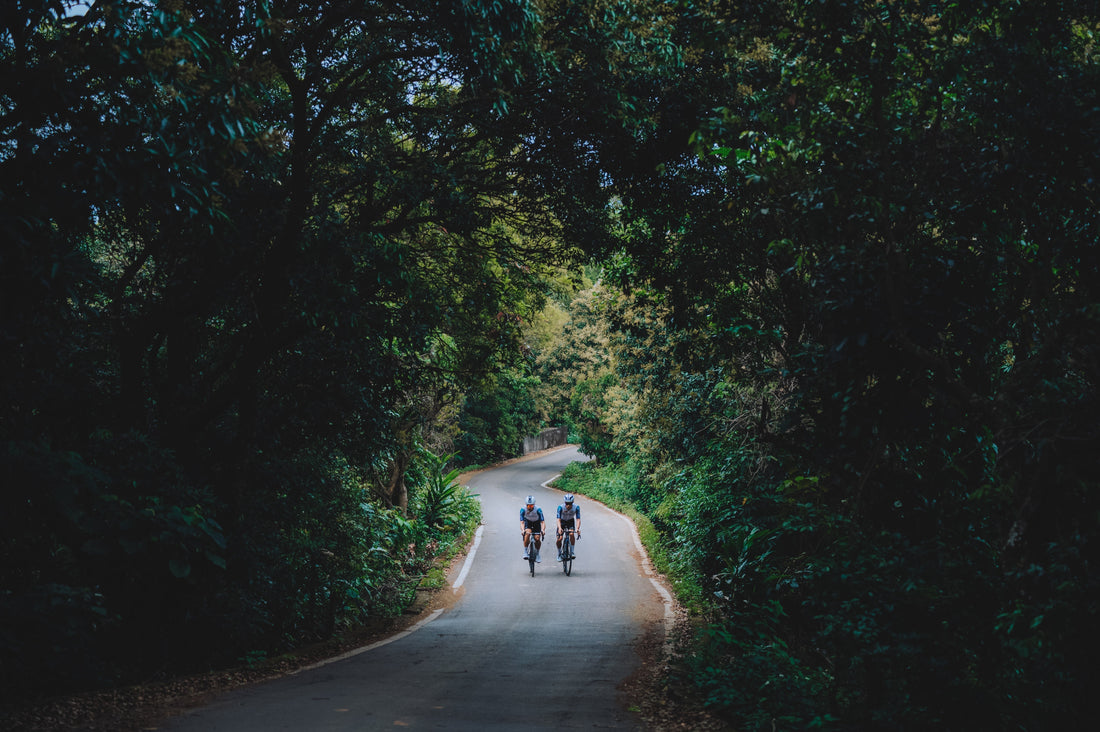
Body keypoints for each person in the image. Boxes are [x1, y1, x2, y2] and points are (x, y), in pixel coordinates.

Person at [520, 495, 546, 562]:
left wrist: (543, 530)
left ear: (534, 505)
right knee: (527, 533)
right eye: (528, 506)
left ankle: (537, 554)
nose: (530, 507)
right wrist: (522, 530)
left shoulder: (538, 510)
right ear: (526, 505)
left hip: (536, 523)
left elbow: (542, 522)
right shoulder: (523, 510)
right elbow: (522, 522)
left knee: (537, 539)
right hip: (528, 522)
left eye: (531, 506)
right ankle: (525, 551)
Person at [555, 493, 581, 561]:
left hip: (570, 521)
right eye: (567, 503)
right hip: (562, 522)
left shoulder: (576, 507)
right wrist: (559, 528)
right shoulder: (560, 507)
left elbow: (578, 519)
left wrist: (577, 528)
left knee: (571, 534)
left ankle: (572, 552)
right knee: (559, 538)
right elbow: (558, 519)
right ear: (564, 502)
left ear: (573, 502)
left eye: (570, 503)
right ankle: (559, 553)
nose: (568, 505)